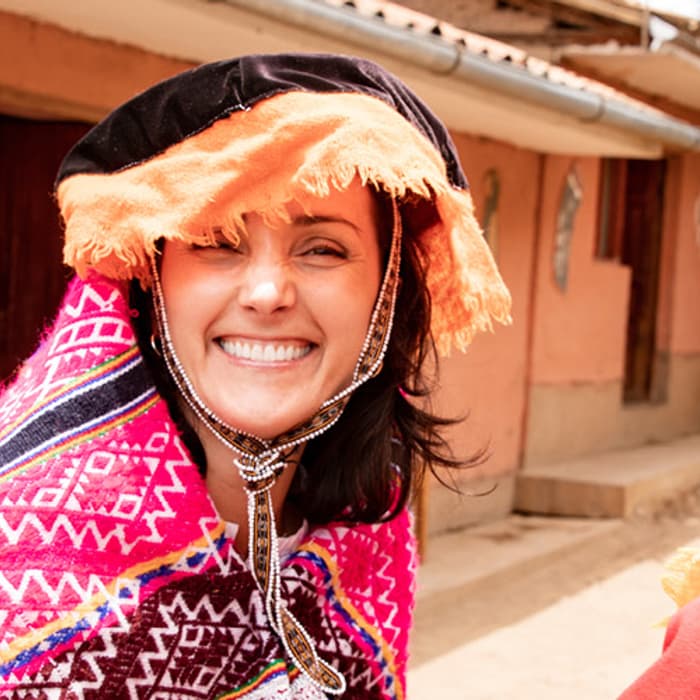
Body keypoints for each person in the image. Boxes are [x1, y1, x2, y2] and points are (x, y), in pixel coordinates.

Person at [0, 53, 510, 697]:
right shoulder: (19, 573)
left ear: (386, 297)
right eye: (217, 242)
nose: (268, 293)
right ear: (151, 285)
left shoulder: (365, 551)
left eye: (322, 248)